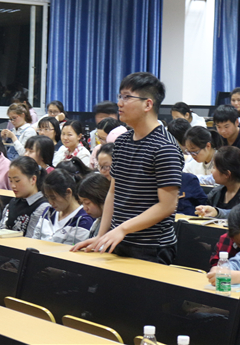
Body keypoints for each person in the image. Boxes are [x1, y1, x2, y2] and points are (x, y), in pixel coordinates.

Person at [71, 72, 183, 264]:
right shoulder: (122, 142)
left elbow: (167, 206)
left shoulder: (165, 146)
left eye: (127, 97)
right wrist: (101, 236)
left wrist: (122, 229)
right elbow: (113, 192)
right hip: (118, 240)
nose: (119, 104)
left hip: (151, 246)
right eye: (120, 96)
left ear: (148, 104)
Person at [32, 169, 94, 245]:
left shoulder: (83, 220)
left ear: (68, 192)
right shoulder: (48, 212)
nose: (50, 202)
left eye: (53, 197)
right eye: (47, 197)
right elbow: (35, 240)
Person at [195, 147, 240, 219]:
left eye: (214, 168)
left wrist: (216, 212)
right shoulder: (215, 192)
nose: (212, 171)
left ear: (227, 174)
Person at [0, 156, 50, 236]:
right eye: (10, 180)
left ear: (33, 179)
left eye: (17, 181)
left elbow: (31, 238)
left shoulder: (43, 206)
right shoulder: (12, 203)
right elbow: (0, 229)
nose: (13, 186)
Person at [78, 173, 111, 238]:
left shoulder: (114, 226)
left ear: (102, 199)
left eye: (87, 203)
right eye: (82, 203)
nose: (85, 208)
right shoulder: (97, 222)